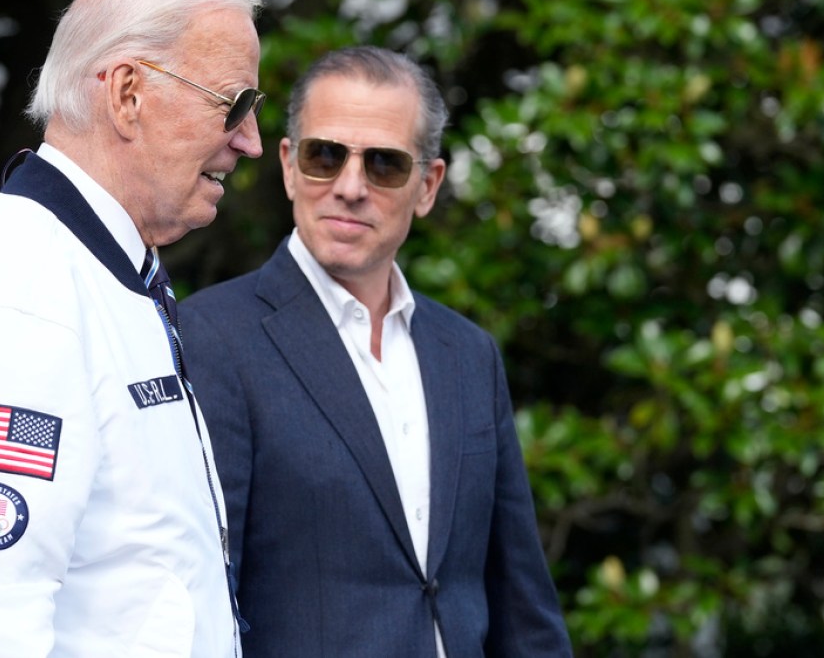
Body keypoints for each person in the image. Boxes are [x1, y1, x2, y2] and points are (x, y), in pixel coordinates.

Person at [0, 0, 264, 655]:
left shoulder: (88, 271)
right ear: (128, 94)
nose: (250, 140)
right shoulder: (25, 296)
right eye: (233, 104)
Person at [179, 46, 573, 657]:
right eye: (324, 156)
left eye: (385, 164)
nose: (350, 188)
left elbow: (522, 603)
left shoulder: (468, 354)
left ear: (428, 186)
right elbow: (197, 596)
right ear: (288, 166)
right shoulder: (211, 337)